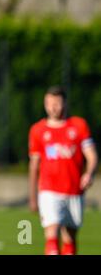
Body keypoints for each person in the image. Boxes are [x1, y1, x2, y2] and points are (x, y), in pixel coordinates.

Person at [28, 86, 98, 255]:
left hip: (74, 191)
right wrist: (32, 196)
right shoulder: (38, 130)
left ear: (65, 104)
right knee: (51, 235)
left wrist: (89, 173)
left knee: (70, 239)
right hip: (49, 191)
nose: (52, 108)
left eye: (57, 103)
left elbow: (92, 156)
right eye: (49, 103)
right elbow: (34, 165)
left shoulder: (79, 126)